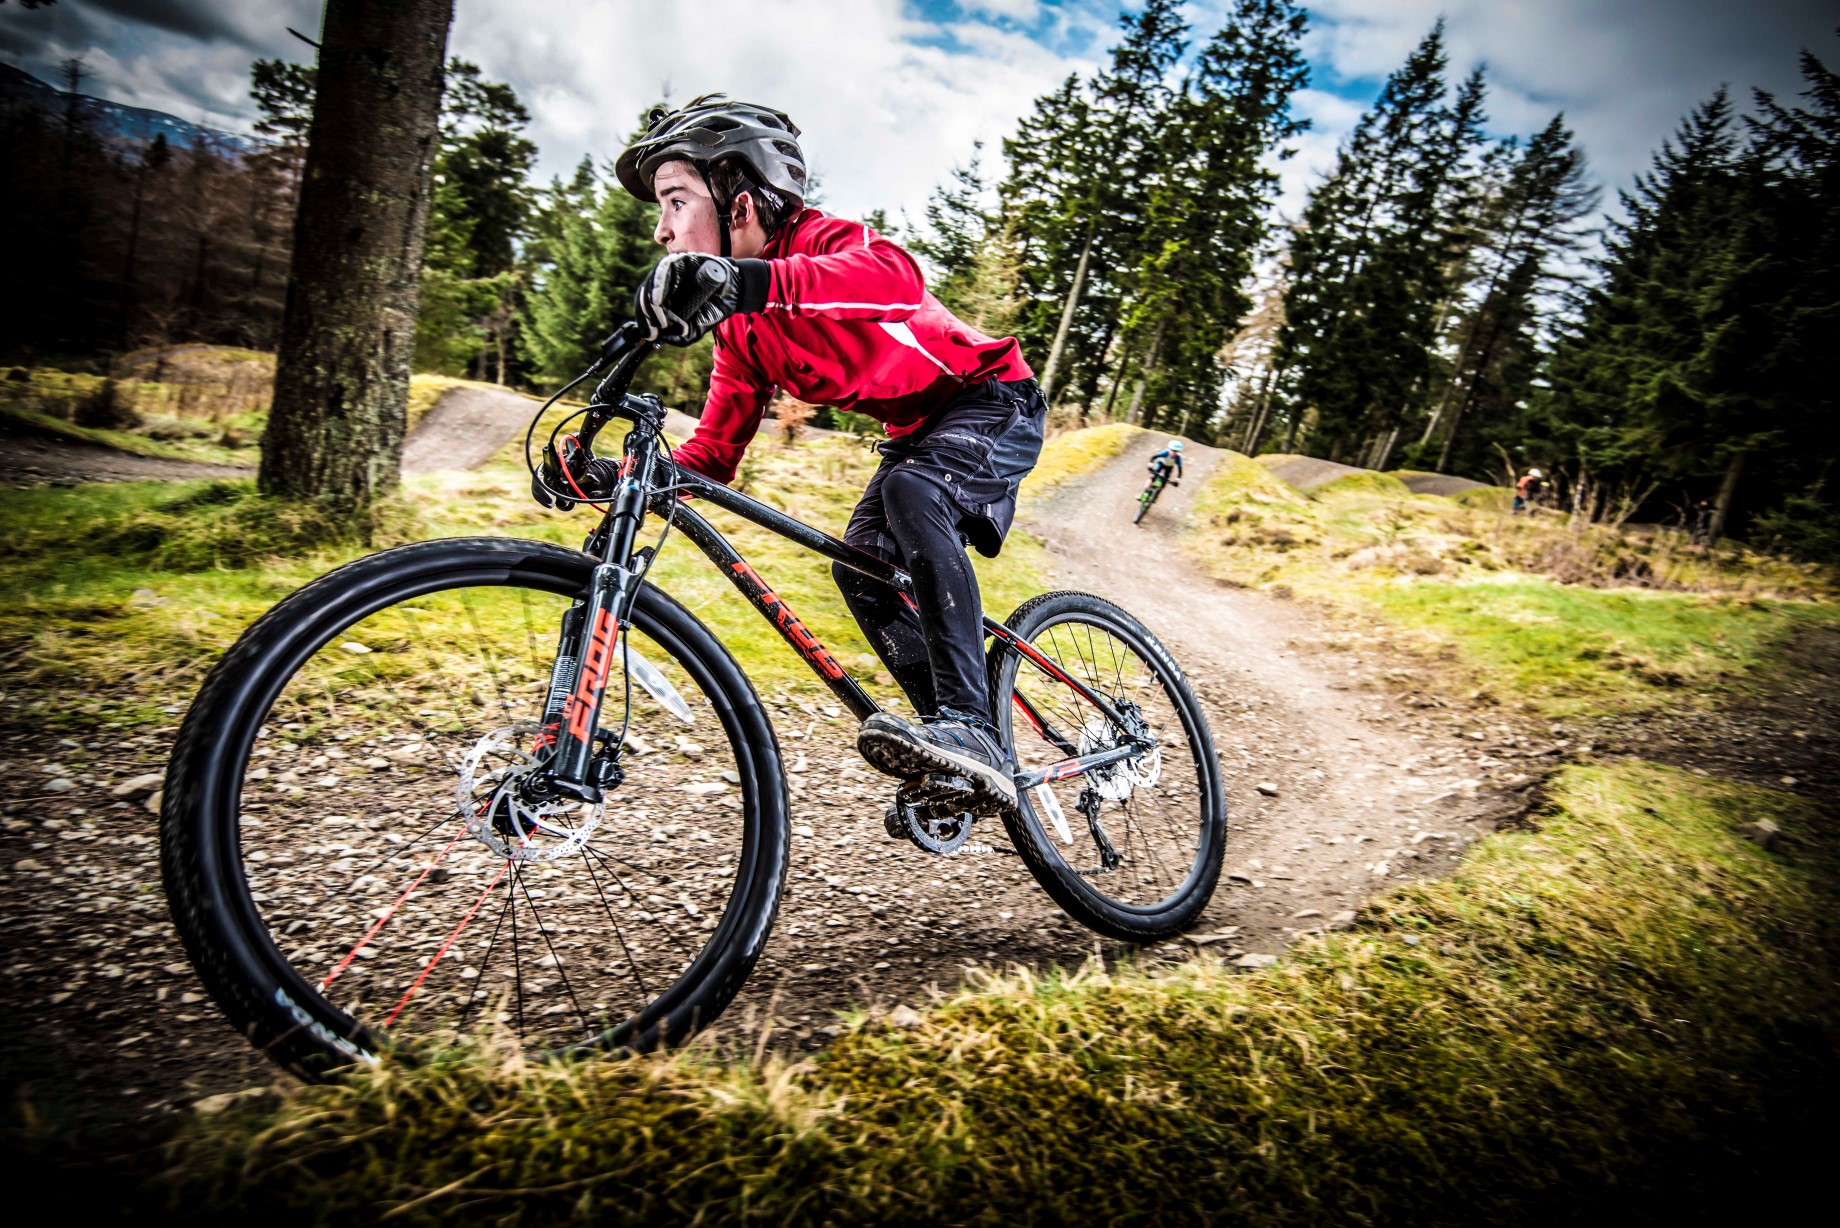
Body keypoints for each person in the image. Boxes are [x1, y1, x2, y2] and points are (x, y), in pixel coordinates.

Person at [615, 95, 1045, 816]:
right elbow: (715, 452)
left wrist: (750, 282)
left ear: (741, 203)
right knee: (863, 568)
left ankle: (972, 726)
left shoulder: (819, 243)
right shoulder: (740, 335)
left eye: (675, 201)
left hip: (991, 397)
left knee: (914, 494)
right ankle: (960, 751)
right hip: (919, 431)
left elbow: (895, 280)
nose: (662, 230)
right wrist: (626, 474)